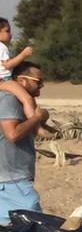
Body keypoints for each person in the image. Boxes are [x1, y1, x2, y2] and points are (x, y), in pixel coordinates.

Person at [0, 62, 48, 221]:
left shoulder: (19, 101)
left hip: (10, 180)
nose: (41, 86)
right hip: (12, 182)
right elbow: (12, 134)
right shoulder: (9, 99)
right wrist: (37, 118)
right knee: (35, 229)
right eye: (38, 81)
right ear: (22, 81)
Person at [0, 18, 37, 118]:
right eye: (7, 31)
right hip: (4, 80)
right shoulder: (2, 47)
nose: (10, 34)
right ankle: (36, 126)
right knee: (27, 99)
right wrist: (23, 55)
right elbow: (7, 65)